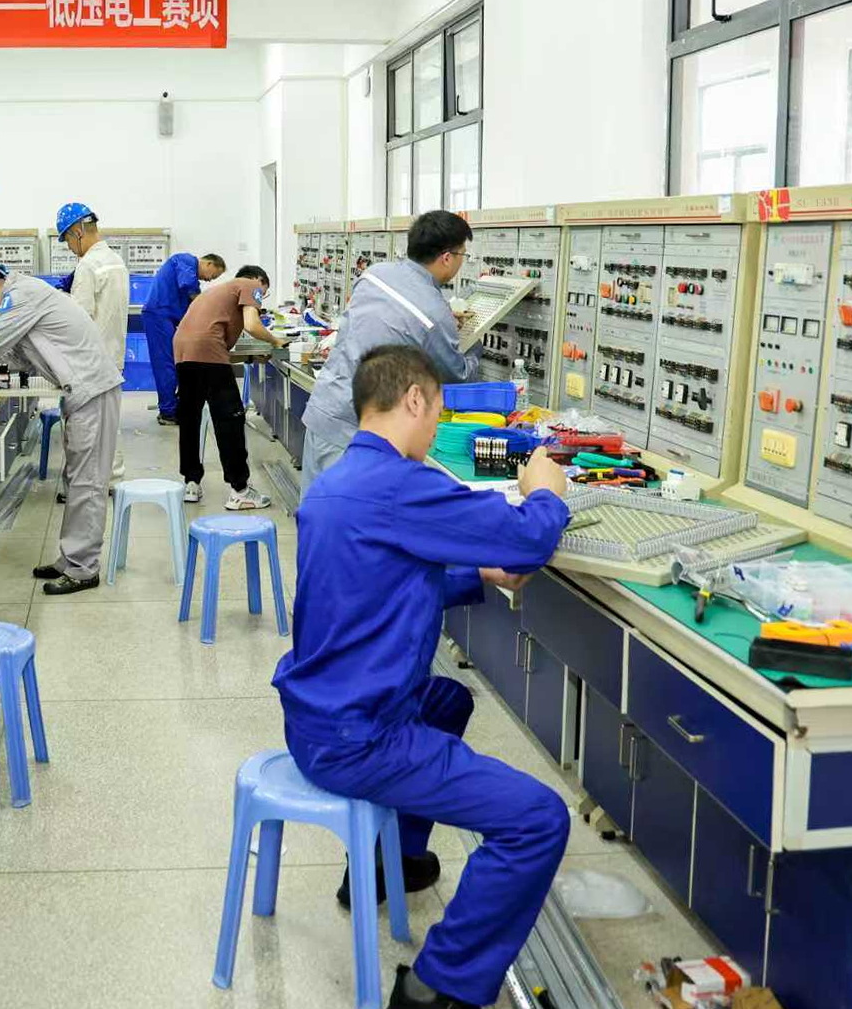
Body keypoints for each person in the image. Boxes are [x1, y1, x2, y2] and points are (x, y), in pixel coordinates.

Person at [272, 345, 571, 1009]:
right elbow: (528, 539)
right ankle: (441, 987)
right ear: (414, 400)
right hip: (360, 738)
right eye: (437, 412)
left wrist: (475, 573)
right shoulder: (401, 485)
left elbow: (376, 581)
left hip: (315, 713)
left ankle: (392, 863)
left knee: (448, 700)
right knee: (538, 819)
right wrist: (545, 492)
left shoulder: (340, 482)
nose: (437, 429)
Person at [0, 257, 123, 595]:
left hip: (93, 391)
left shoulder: (22, 294)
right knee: (76, 480)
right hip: (84, 392)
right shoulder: (21, 298)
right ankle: (71, 559)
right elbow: (20, 358)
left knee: (87, 483)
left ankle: (83, 568)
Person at [300, 210, 488, 493]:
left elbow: (392, 319)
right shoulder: (434, 312)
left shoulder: (375, 274)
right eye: (463, 254)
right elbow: (457, 374)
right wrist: (475, 342)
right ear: (447, 257)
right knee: (349, 515)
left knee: (315, 509)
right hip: (356, 432)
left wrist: (440, 322)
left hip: (324, 408)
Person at [173, 264, 284, 508]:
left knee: (190, 420)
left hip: (183, 352)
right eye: (263, 294)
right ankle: (240, 490)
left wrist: (250, 357)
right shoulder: (251, 284)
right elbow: (252, 325)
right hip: (208, 352)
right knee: (229, 421)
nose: (259, 299)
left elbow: (211, 352)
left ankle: (191, 483)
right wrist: (277, 341)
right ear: (258, 280)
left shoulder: (216, 292)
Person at [55, 201, 131, 479]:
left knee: (85, 427)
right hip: (113, 355)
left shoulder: (88, 266)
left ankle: (87, 483)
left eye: (67, 240)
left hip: (90, 361)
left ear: (77, 232)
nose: (69, 248)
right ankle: (113, 476)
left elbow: (78, 319)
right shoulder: (115, 261)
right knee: (109, 423)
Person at [140, 250, 227, 426]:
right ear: (208, 263)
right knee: (166, 364)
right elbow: (190, 289)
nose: (209, 280)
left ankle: (175, 405)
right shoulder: (185, 261)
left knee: (179, 362)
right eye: (212, 276)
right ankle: (168, 412)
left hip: (168, 318)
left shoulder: (191, 280)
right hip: (159, 315)